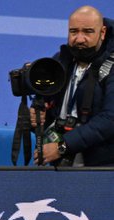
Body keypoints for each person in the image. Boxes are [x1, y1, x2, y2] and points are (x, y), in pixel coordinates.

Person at [32, 6, 114, 166]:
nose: (79, 39)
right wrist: (37, 117)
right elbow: (47, 107)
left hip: (104, 169)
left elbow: (110, 119)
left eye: (88, 31)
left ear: (102, 33)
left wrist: (64, 146)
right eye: (74, 31)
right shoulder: (60, 61)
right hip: (61, 164)